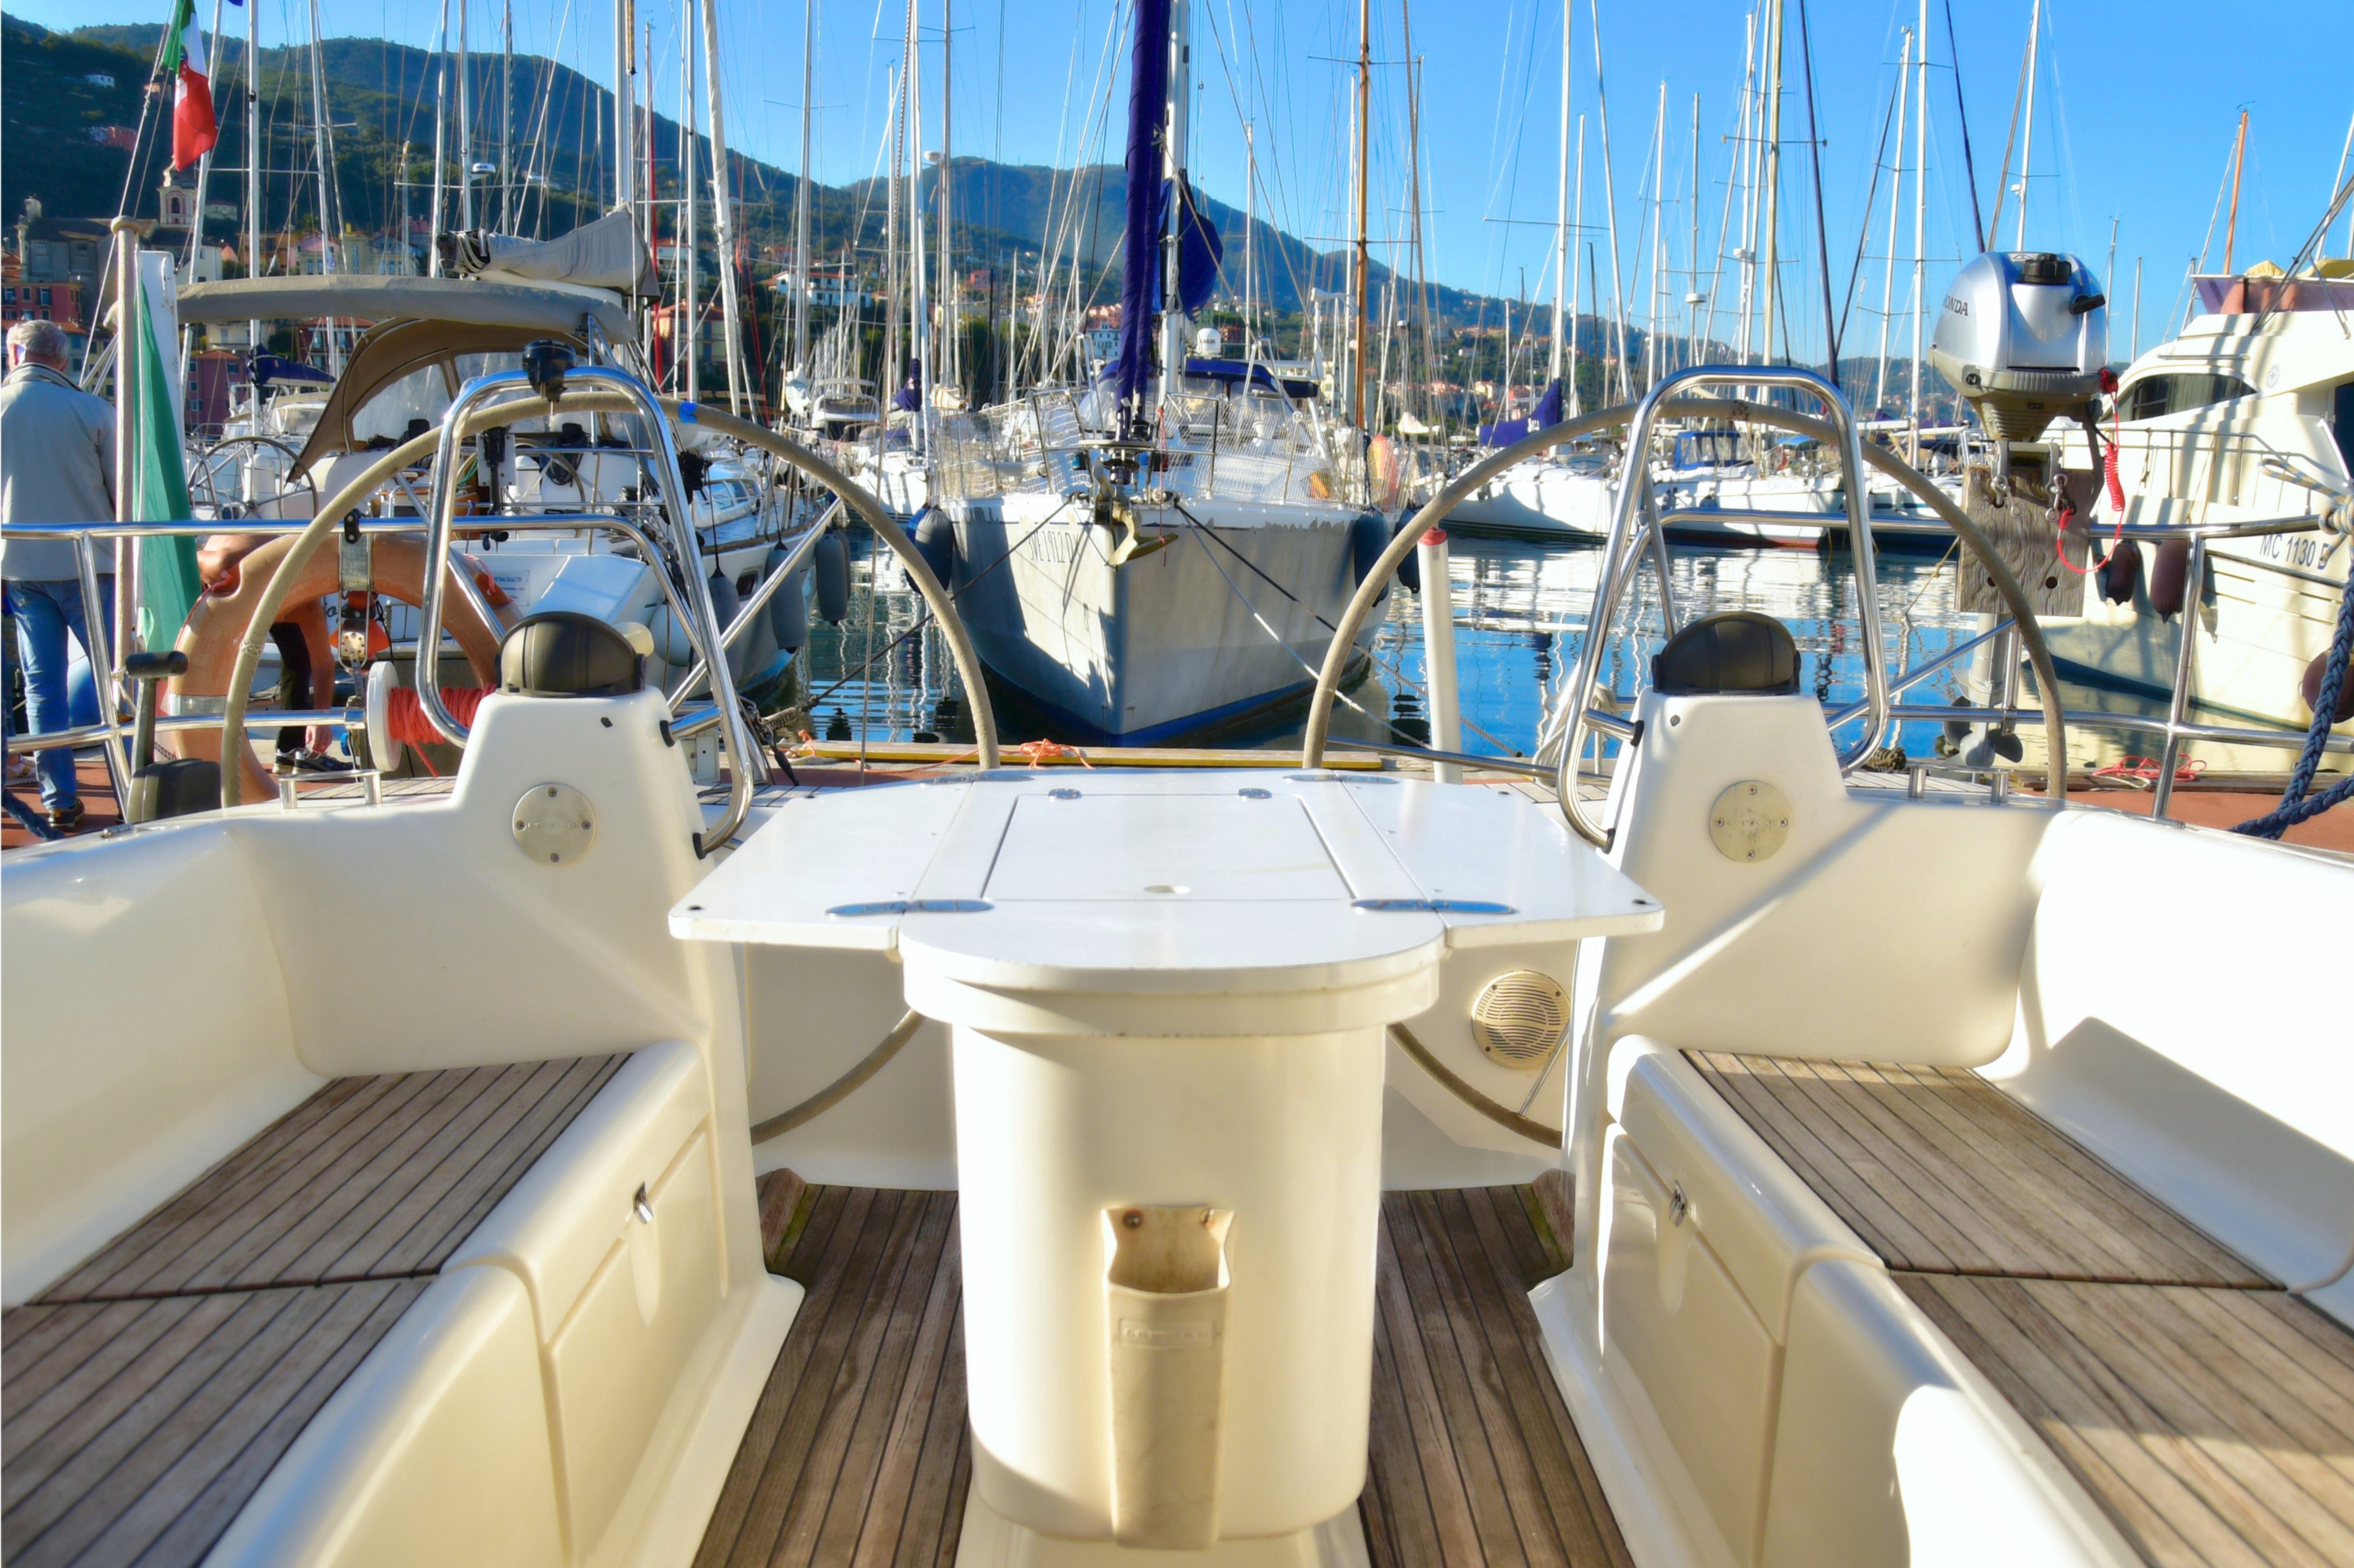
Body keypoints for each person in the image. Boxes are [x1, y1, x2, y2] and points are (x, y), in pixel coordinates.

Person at [0, 318, 116, 834]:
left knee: (42, 685)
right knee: (119, 679)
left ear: (15, 356)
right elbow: (123, 497)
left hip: (22, 566)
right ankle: (138, 776)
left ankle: (60, 797)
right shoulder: (93, 412)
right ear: (62, 361)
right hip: (91, 566)